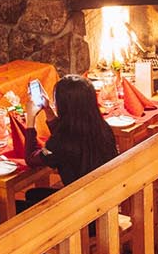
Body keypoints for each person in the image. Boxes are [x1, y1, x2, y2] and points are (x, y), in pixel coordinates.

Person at [18, 74, 119, 209]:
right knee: (33, 195)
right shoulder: (101, 127)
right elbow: (65, 137)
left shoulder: (62, 140)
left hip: (81, 209)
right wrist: (48, 110)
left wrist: (30, 121)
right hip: (102, 199)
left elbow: (31, 159)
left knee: (19, 206)